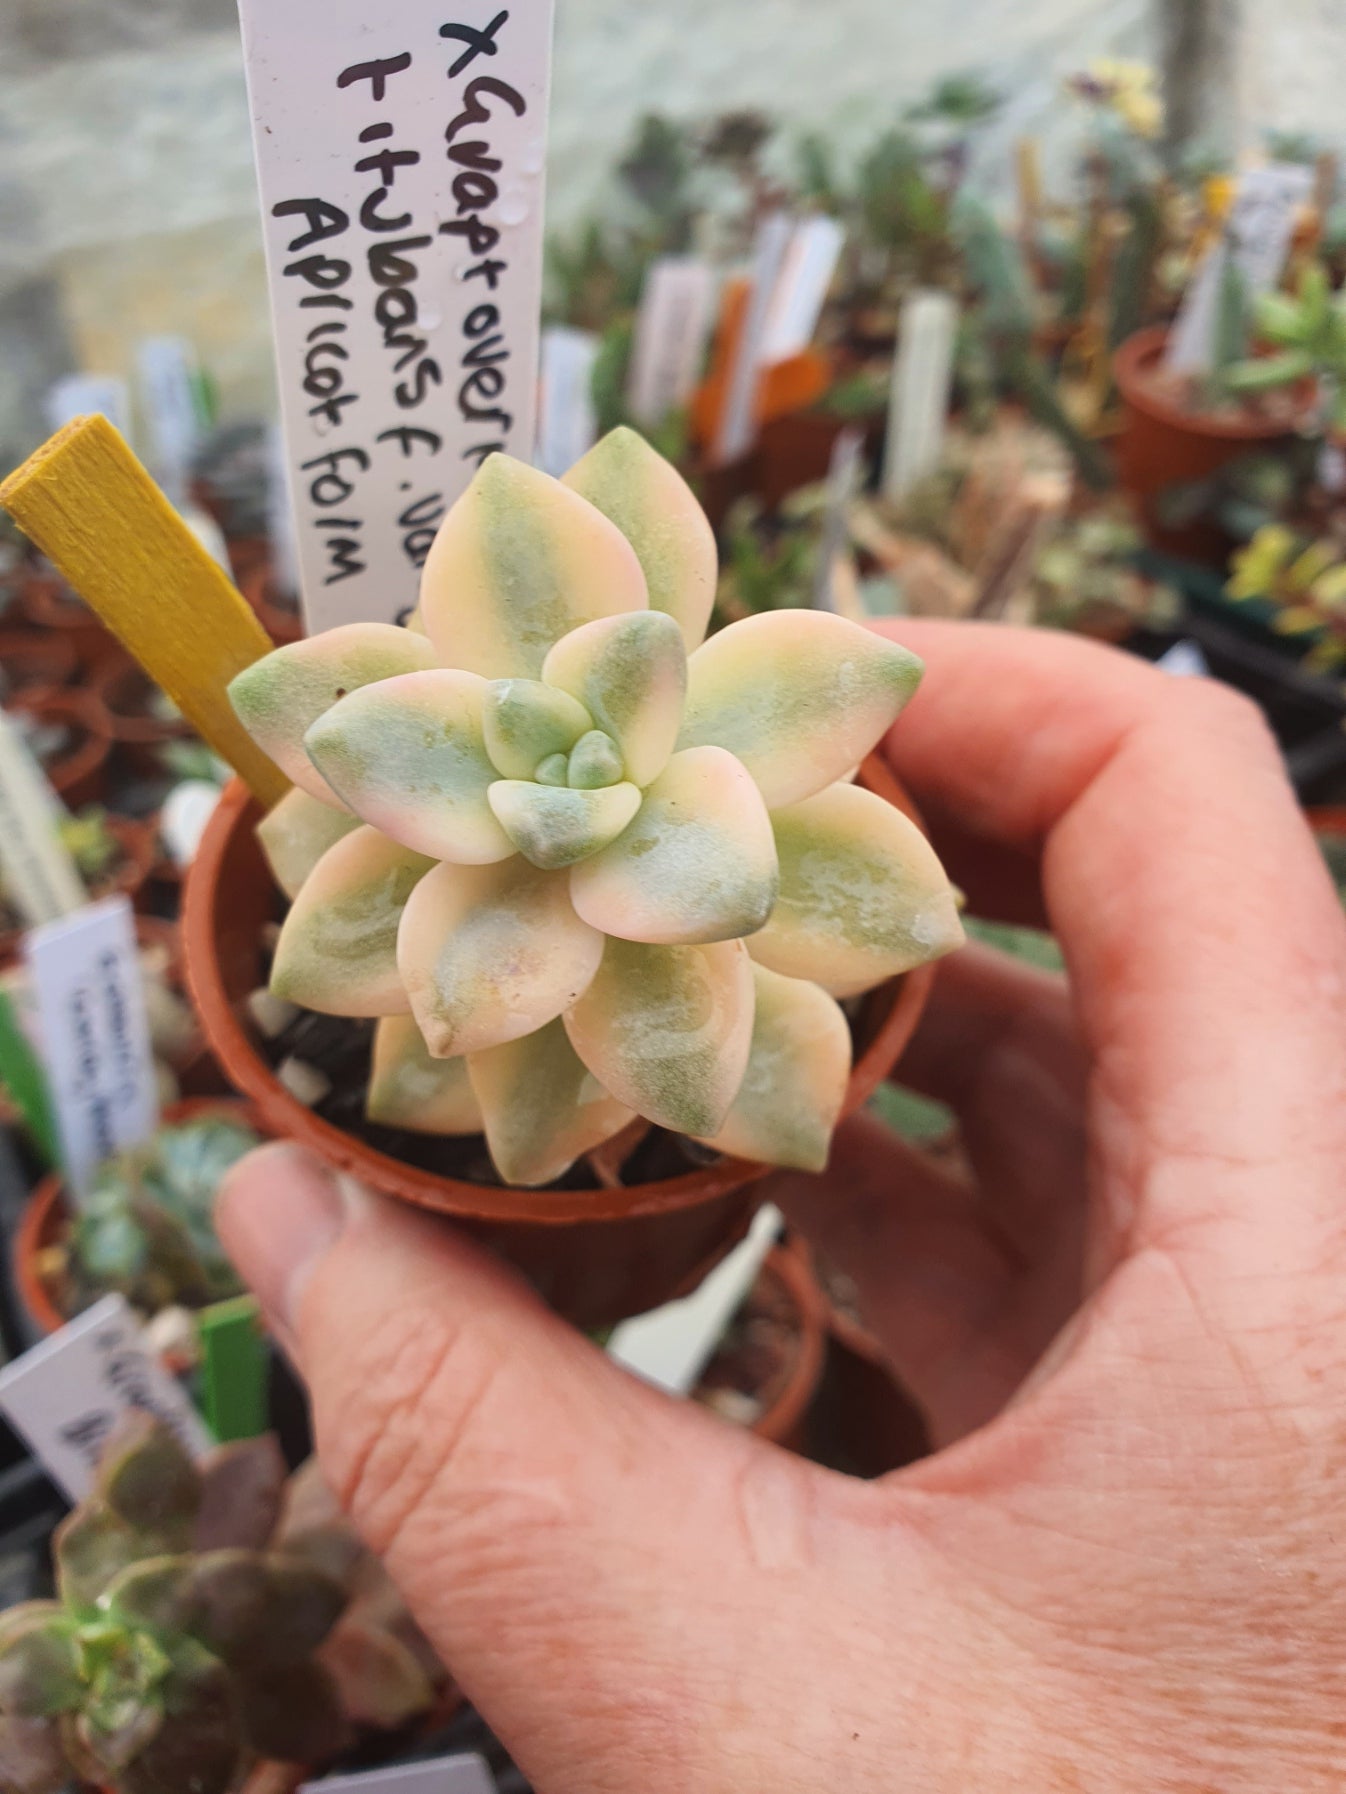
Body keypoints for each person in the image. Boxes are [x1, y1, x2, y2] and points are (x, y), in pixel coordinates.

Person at [219, 620, 1346, 1791]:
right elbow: (436, 980)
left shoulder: (724, 849)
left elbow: (719, 986)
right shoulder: (403, 831)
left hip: (705, 948)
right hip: (491, 984)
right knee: (448, 1058)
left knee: (695, 1079)